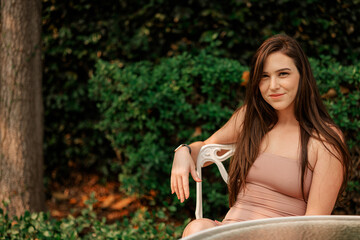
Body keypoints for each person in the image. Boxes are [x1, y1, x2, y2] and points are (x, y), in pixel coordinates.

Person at [170, 34, 351, 237]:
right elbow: (204, 150)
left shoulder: (324, 140)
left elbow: (315, 227)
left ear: (302, 76)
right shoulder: (251, 119)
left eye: (283, 74)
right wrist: (183, 151)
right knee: (198, 228)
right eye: (264, 76)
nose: (273, 85)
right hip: (231, 232)